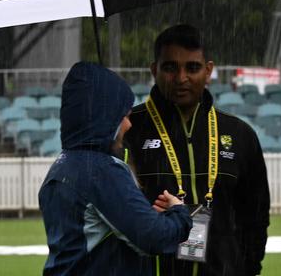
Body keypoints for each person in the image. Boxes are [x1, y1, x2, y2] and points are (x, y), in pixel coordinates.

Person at [124, 24, 270, 276]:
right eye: (170, 67)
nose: (181, 78)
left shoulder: (239, 134)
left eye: (192, 67)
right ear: (154, 70)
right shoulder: (130, 130)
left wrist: (247, 269)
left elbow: (255, 218)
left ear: (209, 70)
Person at [39, 61, 192, 276]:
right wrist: (179, 213)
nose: (129, 125)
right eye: (125, 116)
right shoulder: (100, 171)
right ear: (104, 117)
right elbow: (152, 238)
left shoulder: (63, 164)